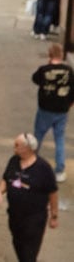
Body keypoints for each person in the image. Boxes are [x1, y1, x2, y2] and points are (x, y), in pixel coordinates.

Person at [0, 130, 59, 262]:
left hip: (34, 219)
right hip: (15, 215)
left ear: (28, 148)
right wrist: (0, 192)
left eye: (17, 145)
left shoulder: (43, 168)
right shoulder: (14, 162)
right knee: (17, 242)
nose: (14, 148)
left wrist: (54, 215)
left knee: (29, 251)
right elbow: (5, 179)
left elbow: (52, 193)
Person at [32, 41, 72, 182]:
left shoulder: (44, 69)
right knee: (59, 139)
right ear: (61, 56)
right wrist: (69, 104)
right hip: (62, 110)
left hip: (45, 109)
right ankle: (60, 170)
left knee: (38, 136)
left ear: (49, 55)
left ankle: (31, 164)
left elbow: (35, 79)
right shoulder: (69, 71)